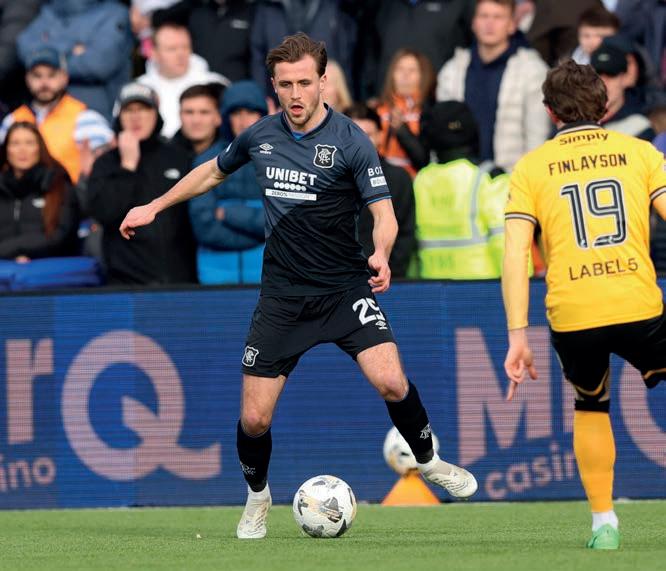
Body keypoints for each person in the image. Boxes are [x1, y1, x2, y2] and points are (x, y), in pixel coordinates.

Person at [119, 33, 478, 539]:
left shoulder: (351, 140)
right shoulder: (260, 136)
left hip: (344, 290)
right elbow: (211, 174)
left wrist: (380, 252)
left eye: (305, 83)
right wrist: (154, 206)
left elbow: (384, 213)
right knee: (254, 419)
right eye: (286, 84)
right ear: (274, 85)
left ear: (323, 82)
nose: (295, 94)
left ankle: (429, 461)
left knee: (392, 382)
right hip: (283, 298)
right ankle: (257, 497)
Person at [502, 59, 666, 550]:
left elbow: (515, 256)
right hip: (638, 304)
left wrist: (517, 334)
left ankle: (604, 524)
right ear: (606, 105)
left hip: (574, 313)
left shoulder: (531, 167)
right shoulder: (640, 153)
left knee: (591, 405)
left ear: (550, 112)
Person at [88, 82, 197, 284]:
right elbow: (104, 212)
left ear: (156, 114)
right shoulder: (106, 162)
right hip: (126, 282)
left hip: (180, 280)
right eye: (129, 110)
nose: (136, 116)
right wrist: (127, 166)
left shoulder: (179, 157)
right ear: (119, 117)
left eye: (144, 109)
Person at [436, 0, 550, 172]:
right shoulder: (452, 70)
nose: (489, 24)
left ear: (512, 25)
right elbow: (441, 132)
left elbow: (537, 136)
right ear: (473, 23)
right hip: (460, 179)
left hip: (511, 178)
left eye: (498, 17)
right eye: (484, 16)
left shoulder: (532, 70)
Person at [413, 100, 508, 279]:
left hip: (430, 286)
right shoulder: (489, 176)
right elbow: (507, 240)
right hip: (483, 287)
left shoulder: (421, 179)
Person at [185, 81, 267, 284]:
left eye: (250, 112)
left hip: (268, 277)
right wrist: (257, 236)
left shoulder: (280, 160)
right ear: (226, 117)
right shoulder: (207, 161)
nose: (243, 120)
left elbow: (282, 221)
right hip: (215, 277)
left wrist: (230, 213)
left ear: (262, 115)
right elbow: (203, 225)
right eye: (236, 113)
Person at [0, 46, 114, 185]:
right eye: (37, 75)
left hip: (69, 195)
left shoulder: (86, 119)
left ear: (64, 77)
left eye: (51, 75)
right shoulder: (12, 120)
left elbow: (107, 172)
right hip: (20, 196)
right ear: (27, 79)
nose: (44, 83)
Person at [16, 0, 134, 120]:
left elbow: (97, 64)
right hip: (44, 116)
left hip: (95, 116)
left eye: (53, 74)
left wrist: (48, 49)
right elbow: (24, 48)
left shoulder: (114, 12)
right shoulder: (51, 10)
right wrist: (72, 48)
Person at [344, 102, 415, 278]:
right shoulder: (326, 179)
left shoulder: (399, 178)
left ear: (380, 136)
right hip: (336, 281)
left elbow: (406, 234)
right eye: (354, 135)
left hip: (385, 280)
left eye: (368, 135)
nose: (361, 143)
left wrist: (389, 274)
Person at [0, 122, 79, 260]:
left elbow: (61, 235)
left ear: (39, 148)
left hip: (50, 266)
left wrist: (17, 250)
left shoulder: (58, 184)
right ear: (6, 150)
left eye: (29, 143)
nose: (22, 150)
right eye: (15, 143)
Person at [137, 22, 229, 137]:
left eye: (185, 47)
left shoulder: (215, 84)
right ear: (154, 53)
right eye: (172, 49)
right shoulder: (138, 89)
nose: (181, 54)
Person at [376, 49, 434, 177]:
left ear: (423, 76)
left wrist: (401, 129)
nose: (405, 75)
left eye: (412, 70)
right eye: (400, 69)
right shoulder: (378, 111)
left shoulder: (429, 112)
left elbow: (424, 160)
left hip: (416, 182)